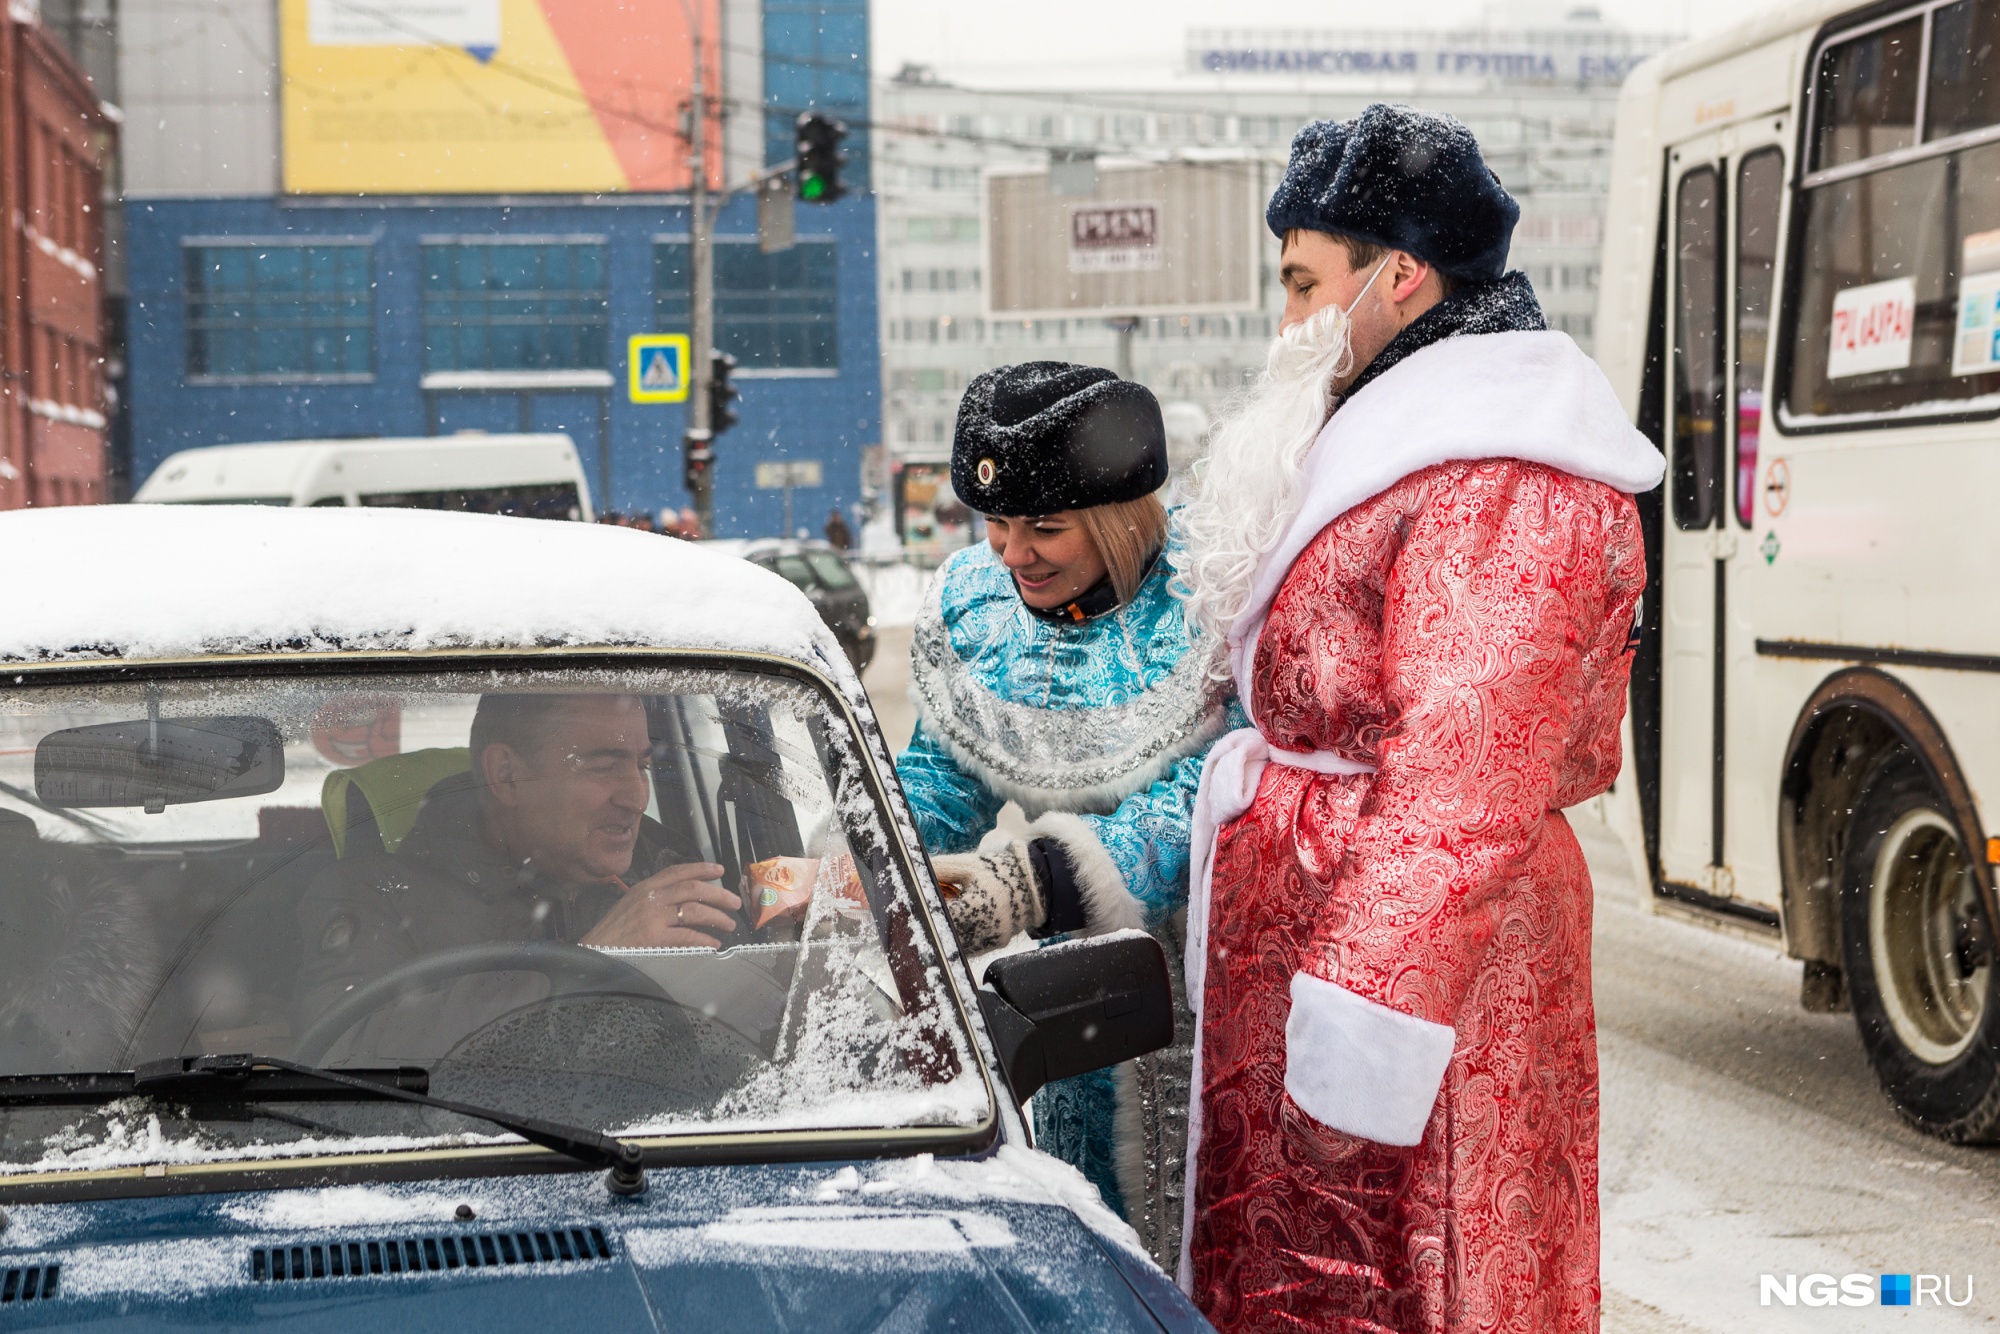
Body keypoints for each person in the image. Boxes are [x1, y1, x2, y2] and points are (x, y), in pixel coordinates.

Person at [1169, 104, 1665, 1331]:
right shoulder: (1410, 439)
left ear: (1397, 274)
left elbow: (1462, 783)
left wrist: (1357, 1043)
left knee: (1420, 1275)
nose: (1283, 317)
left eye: (1300, 281)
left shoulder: (1500, 468)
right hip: (1331, 950)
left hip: (1420, 1002)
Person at [897, 359, 1238, 1268]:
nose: (1014, 555)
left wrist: (1040, 878)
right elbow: (941, 776)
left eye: (1045, 527)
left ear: (1122, 520)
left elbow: (1215, 794)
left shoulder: (1220, 596)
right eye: (998, 525)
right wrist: (869, 856)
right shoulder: (980, 607)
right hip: (1078, 1016)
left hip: (1228, 1006)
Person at [294, 694, 740, 1061]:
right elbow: (341, 1057)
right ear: (507, 777)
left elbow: (740, 1032)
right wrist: (589, 963)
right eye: (604, 767)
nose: (637, 797)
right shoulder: (374, 895)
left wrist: (791, 932)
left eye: (641, 766)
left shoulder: (664, 866)